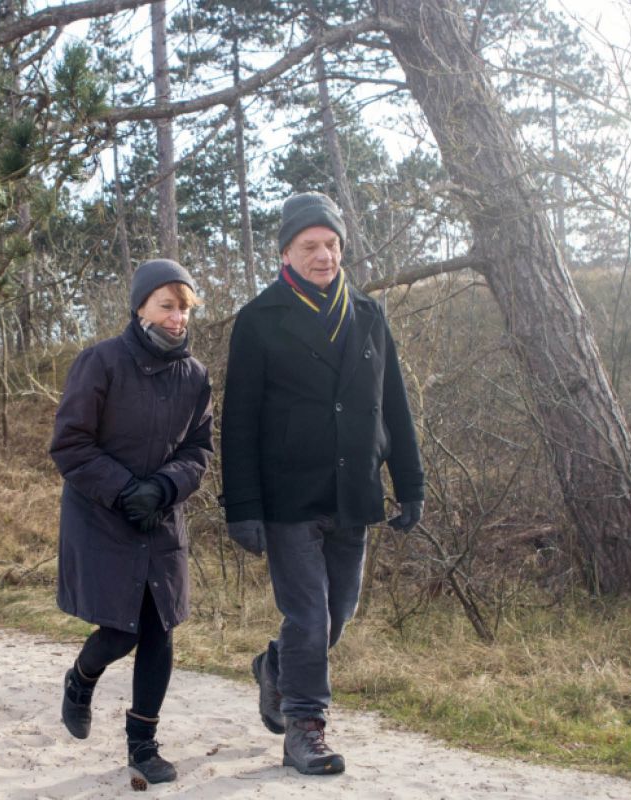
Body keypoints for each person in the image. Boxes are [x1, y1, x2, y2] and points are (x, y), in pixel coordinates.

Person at [219, 191, 425, 776]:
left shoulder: (369, 314)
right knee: (309, 616)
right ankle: (304, 729)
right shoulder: (259, 320)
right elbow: (240, 423)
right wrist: (243, 506)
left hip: (353, 492)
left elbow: (395, 409)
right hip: (288, 497)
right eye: (310, 246)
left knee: (339, 613)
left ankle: (275, 667)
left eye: (331, 244)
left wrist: (409, 484)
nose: (323, 255)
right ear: (286, 252)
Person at [49, 258, 213, 785]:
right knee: (119, 630)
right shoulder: (100, 363)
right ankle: (81, 678)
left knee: (159, 629)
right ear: (140, 306)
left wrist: (164, 487)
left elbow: (198, 449)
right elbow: (70, 444)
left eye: (184, 308)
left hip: (160, 519)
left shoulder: (195, 376)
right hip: (101, 516)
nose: (176, 317)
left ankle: (143, 745)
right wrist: (125, 490)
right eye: (166, 305)